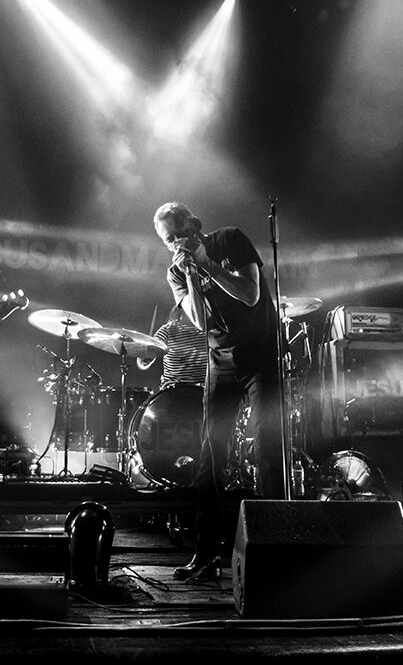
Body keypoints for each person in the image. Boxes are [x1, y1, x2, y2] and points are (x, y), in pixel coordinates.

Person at [153, 201, 282, 581]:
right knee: (211, 455)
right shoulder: (175, 273)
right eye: (169, 239)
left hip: (260, 353)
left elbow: (250, 294)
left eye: (180, 233)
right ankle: (206, 554)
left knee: (268, 446)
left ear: (195, 224)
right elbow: (199, 321)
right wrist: (191, 276)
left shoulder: (230, 240)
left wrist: (207, 264)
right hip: (220, 360)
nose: (177, 242)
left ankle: (275, 548)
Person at [136, 306, 209, 390]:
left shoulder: (210, 332)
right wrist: (147, 353)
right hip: (172, 389)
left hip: (205, 390)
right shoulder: (167, 330)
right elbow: (151, 351)